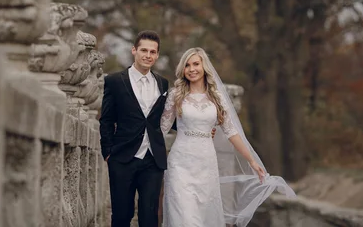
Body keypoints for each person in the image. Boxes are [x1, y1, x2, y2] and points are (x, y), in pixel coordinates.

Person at [160, 47, 296, 227]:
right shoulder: (175, 95)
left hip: (206, 165)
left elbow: (232, 132)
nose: (192, 69)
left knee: (202, 217)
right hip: (180, 164)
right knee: (184, 217)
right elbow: (161, 128)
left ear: (204, 66)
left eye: (196, 64)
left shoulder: (216, 99)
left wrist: (252, 161)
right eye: (187, 65)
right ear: (182, 70)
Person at [99, 30, 170, 227]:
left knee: (149, 218)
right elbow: (106, 119)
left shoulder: (162, 83)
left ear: (157, 55)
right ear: (134, 50)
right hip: (122, 159)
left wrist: (198, 126)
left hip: (153, 160)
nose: (148, 55)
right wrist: (107, 152)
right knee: (122, 216)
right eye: (144, 50)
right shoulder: (114, 81)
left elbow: (164, 117)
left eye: (153, 52)